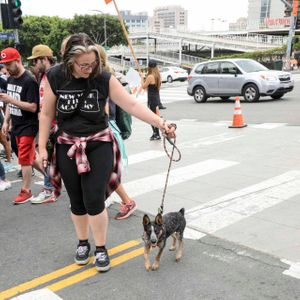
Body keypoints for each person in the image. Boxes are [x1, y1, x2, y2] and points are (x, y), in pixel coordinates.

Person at [38, 33, 176, 272]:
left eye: (93, 63)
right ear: (69, 62)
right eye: (84, 65)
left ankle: (100, 247)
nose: (89, 69)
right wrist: (41, 147)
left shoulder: (103, 77)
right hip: (66, 145)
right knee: (77, 201)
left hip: (98, 143)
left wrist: (161, 123)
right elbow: (47, 113)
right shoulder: (55, 76)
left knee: (94, 198)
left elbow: (131, 105)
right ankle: (83, 243)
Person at [97, 44, 137, 220]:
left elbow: (104, 111)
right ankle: (109, 198)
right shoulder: (107, 76)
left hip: (105, 129)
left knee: (107, 171)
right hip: (107, 128)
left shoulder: (102, 79)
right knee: (104, 171)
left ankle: (127, 201)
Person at [0, 47, 41, 204]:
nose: (6, 68)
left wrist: (11, 101)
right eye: (4, 64)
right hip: (16, 125)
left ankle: (26, 191)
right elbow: (11, 103)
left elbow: (33, 107)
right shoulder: (10, 79)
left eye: (9, 64)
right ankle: (51, 177)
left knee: (24, 158)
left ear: (18, 61)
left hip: (28, 125)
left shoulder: (29, 80)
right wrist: (6, 120)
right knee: (29, 157)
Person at [27, 44, 57, 204]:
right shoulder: (45, 76)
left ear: (44, 59)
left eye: (36, 61)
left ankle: (49, 189)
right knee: (45, 158)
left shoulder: (54, 75)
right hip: (48, 124)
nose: (34, 65)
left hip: (56, 125)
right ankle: (50, 187)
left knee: (49, 158)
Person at [141, 60, 162, 141]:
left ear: (149, 67)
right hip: (156, 98)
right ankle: (156, 133)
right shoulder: (158, 76)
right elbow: (158, 89)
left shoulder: (150, 76)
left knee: (151, 118)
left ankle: (156, 134)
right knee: (155, 116)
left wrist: (141, 77)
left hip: (151, 99)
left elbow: (143, 86)